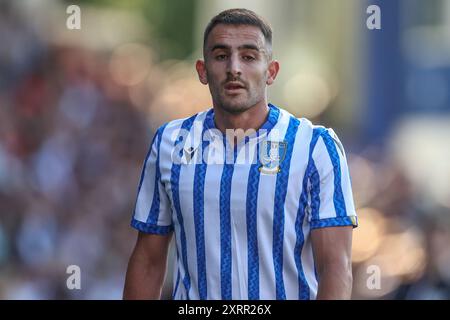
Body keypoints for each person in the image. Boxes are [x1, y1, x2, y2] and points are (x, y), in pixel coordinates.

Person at [123, 8, 358, 300]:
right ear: (202, 70)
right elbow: (148, 260)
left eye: (248, 56)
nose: (234, 68)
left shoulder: (315, 146)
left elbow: (336, 267)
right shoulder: (171, 142)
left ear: (271, 71)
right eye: (221, 56)